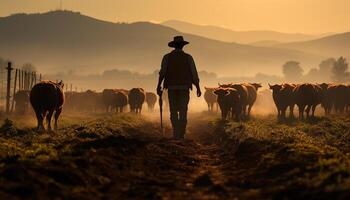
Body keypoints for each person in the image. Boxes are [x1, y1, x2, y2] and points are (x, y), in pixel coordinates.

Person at [157, 36, 201, 139]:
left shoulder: (167, 57)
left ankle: (175, 132)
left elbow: (162, 73)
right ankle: (181, 133)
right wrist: (198, 87)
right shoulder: (188, 57)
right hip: (184, 88)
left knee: (173, 110)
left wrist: (159, 85)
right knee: (183, 110)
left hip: (171, 88)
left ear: (174, 46)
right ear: (182, 46)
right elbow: (194, 74)